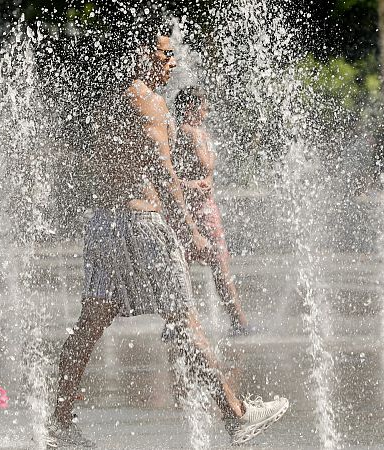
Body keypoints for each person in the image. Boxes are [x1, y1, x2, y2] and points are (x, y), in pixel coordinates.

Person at [47, 29, 289, 449]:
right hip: (142, 225)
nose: (172, 62)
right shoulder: (150, 102)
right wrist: (189, 229)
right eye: (165, 54)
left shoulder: (111, 100)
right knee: (183, 320)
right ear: (142, 54)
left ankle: (59, 421)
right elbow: (163, 171)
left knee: (88, 325)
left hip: (105, 223)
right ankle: (236, 416)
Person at [172, 87, 250, 336]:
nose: (207, 110)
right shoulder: (182, 133)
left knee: (217, 264)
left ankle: (236, 322)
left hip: (207, 207)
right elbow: (166, 177)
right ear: (189, 108)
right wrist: (191, 185)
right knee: (184, 266)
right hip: (191, 209)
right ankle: (179, 324)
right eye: (203, 105)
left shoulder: (200, 132)